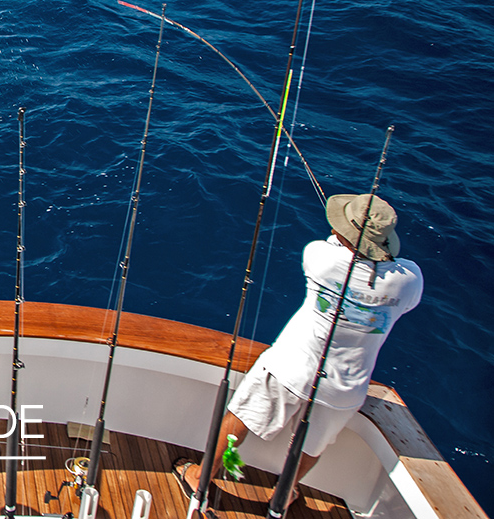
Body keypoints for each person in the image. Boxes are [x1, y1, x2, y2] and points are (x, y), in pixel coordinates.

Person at [176, 193, 423, 512]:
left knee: (242, 416)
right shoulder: (410, 280)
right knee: (313, 443)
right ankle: (285, 493)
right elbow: (400, 285)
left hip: (290, 368)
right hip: (345, 389)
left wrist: (342, 240)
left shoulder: (323, 258)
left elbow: (330, 245)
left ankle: (201, 477)